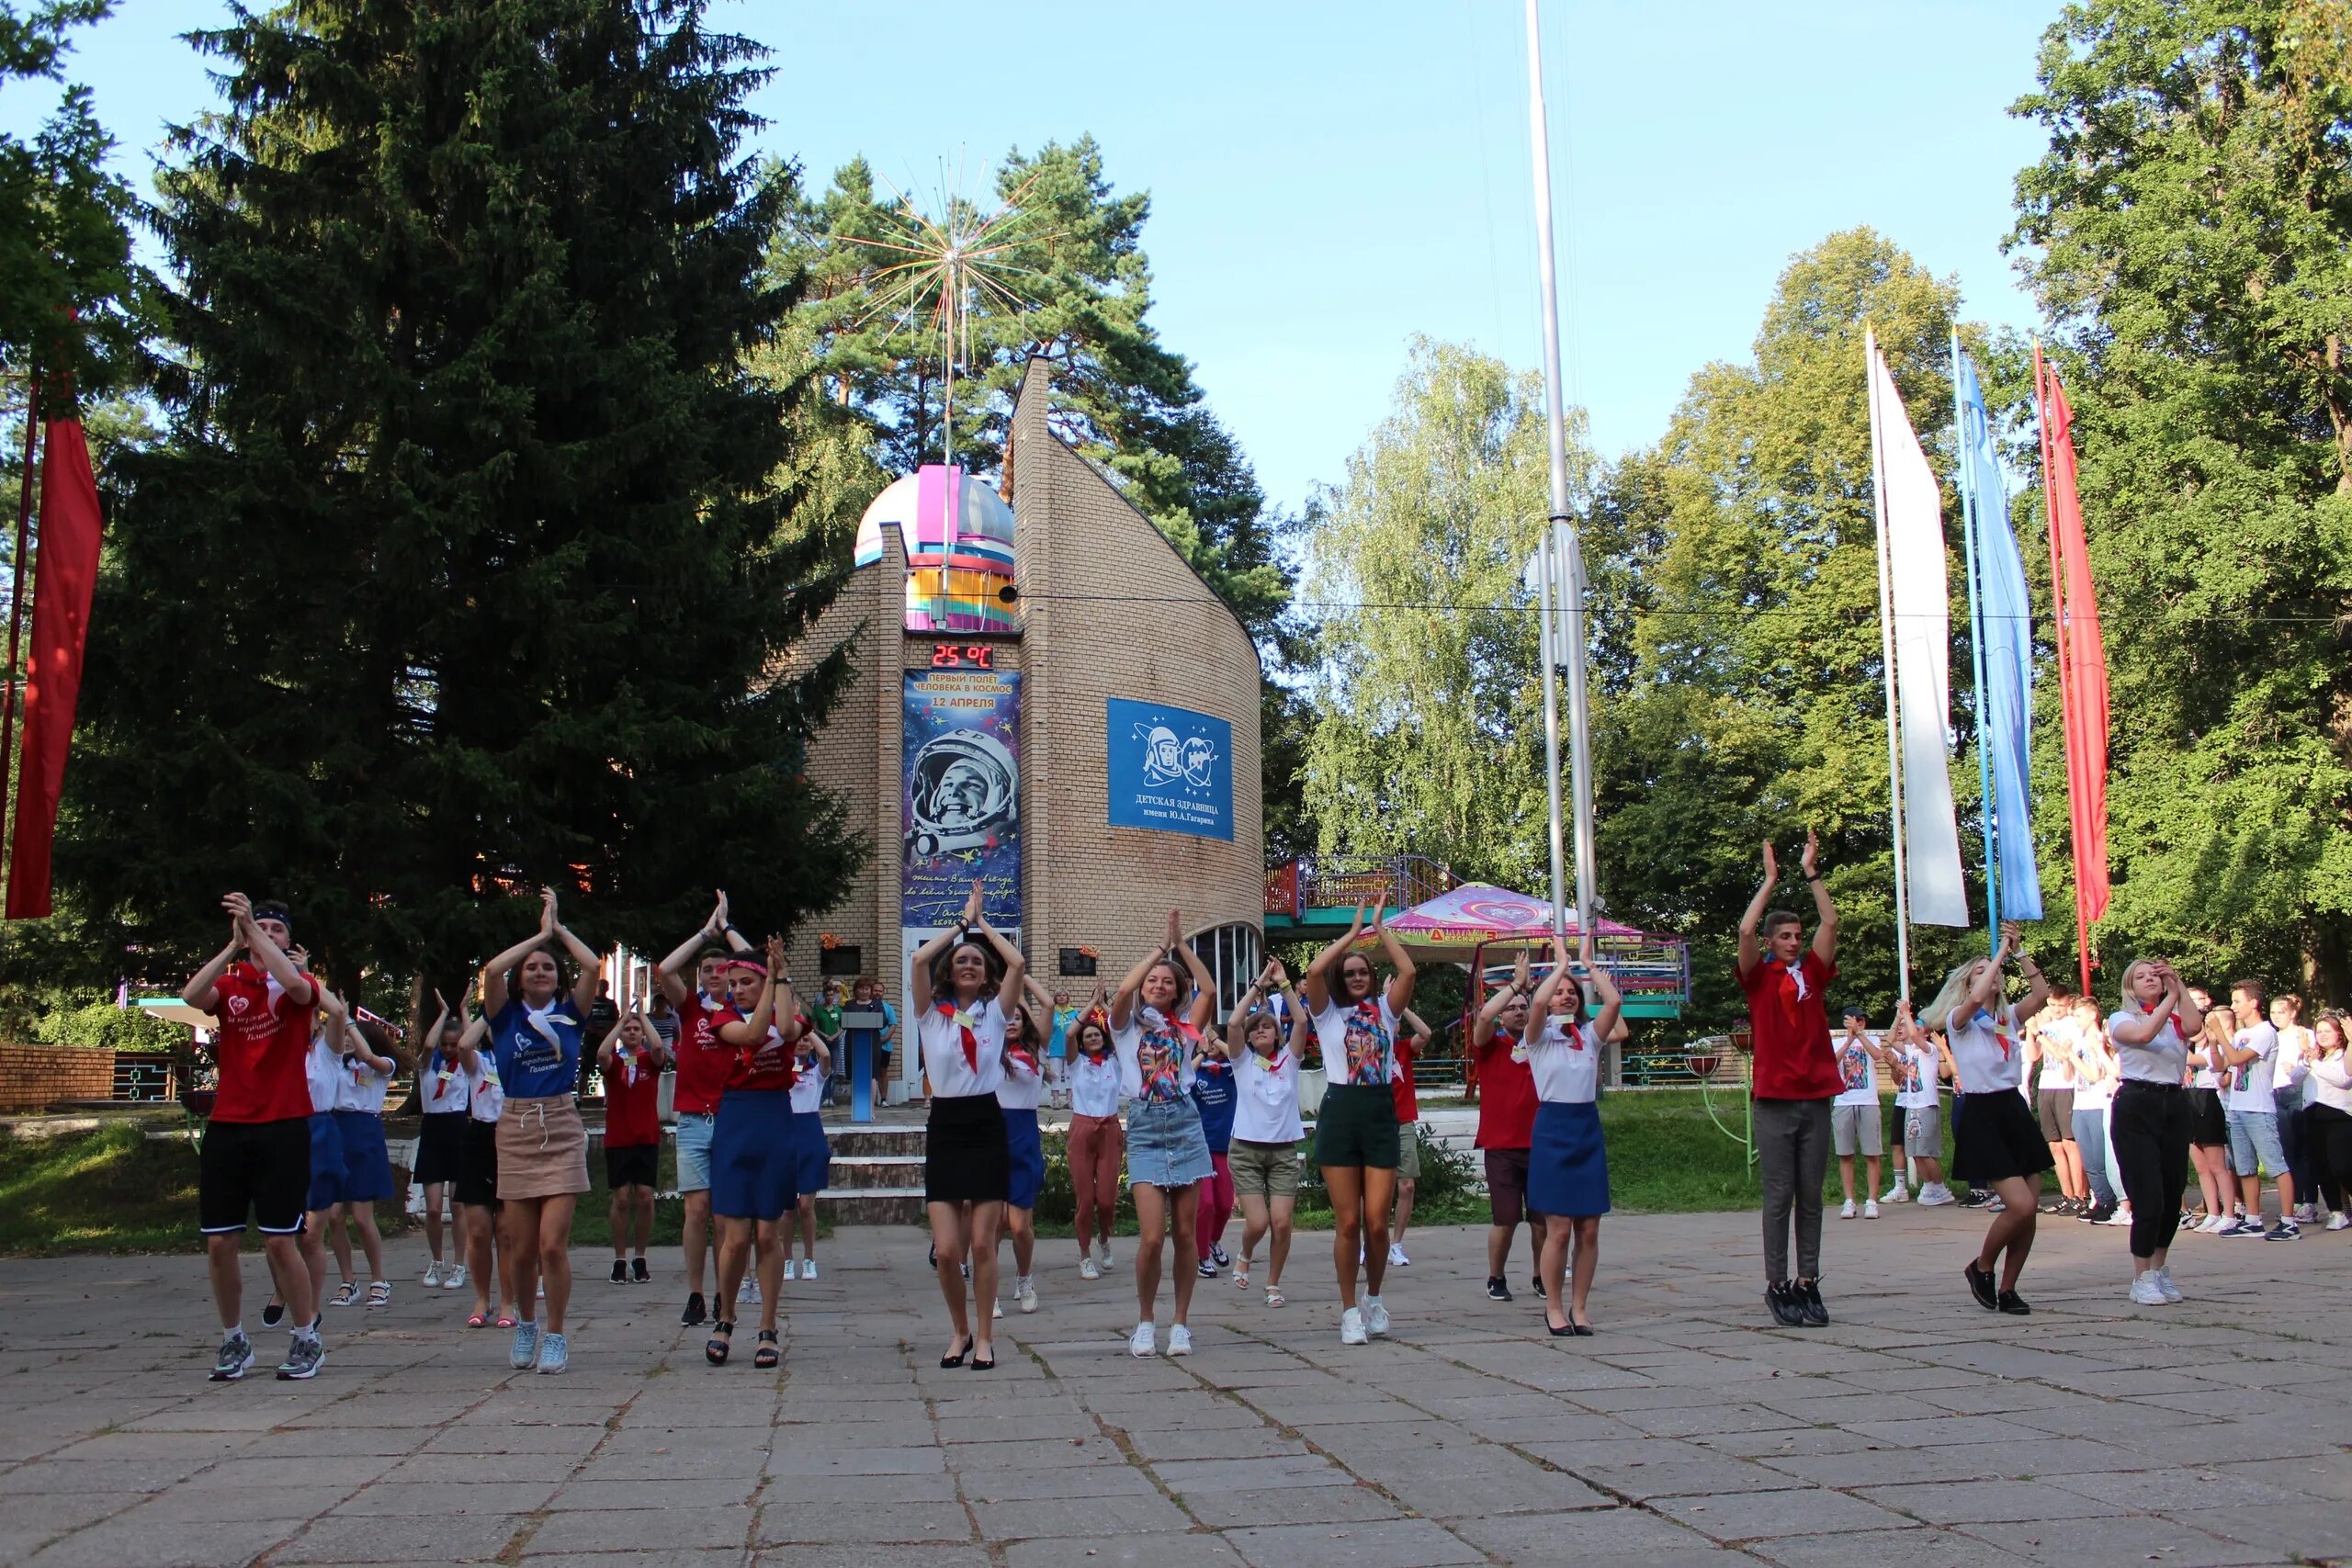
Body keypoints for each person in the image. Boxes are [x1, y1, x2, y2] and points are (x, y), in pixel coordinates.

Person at [182, 894, 323, 1381]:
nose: (265, 933)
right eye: (259, 926)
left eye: (275, 928)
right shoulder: (230, 981)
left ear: (288, 940)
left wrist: (259, 935)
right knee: (219, 1242)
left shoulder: (297, 983)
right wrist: (232, 944)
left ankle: (306, 1337)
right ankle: (232, 1340)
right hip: (229, 1125)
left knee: (281, 1241)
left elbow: (297, 988)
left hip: (283, 1125)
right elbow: (189, 996)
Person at [480, 886, 603, 1375]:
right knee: (520, 1245)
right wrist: (536, 935)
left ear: (558, 979)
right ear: (521, 978)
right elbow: (490, 970)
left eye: (547, 966)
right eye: (531, 966)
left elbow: (592, 966)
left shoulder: (571, 1014)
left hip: (561, 1124)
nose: (538, 971)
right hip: (515, 1126)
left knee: (553, 1244)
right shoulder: (504, 1016)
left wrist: (559, 931)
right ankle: (526, 1323)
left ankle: (555, 1333)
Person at [912, 881, 1024, 1371]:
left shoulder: (995, 1014)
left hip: (984, 1121)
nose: (970, 965)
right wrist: (959, 925)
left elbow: (1017, 965)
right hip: (946, 1125)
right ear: (949, 971)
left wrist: (983, 927)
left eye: (977, 962)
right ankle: (957, 1330)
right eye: (962, 960)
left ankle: (984, 1337)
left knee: (982, 1243)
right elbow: (918, 963)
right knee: (947, 1248)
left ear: (985, 975)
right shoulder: (930, 1016)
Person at [1734, 831, 1839, 1328]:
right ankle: (1777, 1282)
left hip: (1816, 1096)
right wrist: (1771, 880)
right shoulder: (1761, 978)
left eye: (1799, 935)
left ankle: (1808, 1280)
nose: (1795, 942)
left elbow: (1832, 920)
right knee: (1779, 1195)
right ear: (1775, 942)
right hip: (1775, 1098)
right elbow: (1745, 932)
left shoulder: (1813, 974)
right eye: (1787, 936)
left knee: (1812, 1194)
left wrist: (1811, 871)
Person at [1301, 902, 1416, 1347]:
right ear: (1340, 979)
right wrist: (1349, 936)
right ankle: (1348, 1310)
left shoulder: (1386, 1012)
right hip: (1341, 1114)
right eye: (1348, 972)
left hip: (1380, 1114)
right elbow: (1313, 971)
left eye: (1362, 971)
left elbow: (1407, 973)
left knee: (1376, 1223)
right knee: (1347, 1223)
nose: (1355, 976)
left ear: (1370, 976)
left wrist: (1378, 930)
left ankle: (1374, 1297)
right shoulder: (1326, 1014)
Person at [1923, 921, 2052, 1315]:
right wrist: (1997, 956)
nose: (1989, 976)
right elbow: (1977, 999)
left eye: (1991, 971)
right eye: (1979, 971)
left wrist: (2020, 952)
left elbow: (2042, 994)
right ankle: (1982, 1266)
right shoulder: (1959, 1021)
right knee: (2021, 1206)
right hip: (1982, 1111)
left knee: (2029, 1212)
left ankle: (2009, 1287)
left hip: (2012, 1107)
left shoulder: (2007, 1018)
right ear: (1968, 983)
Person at [1109, 909, 1218, 1358]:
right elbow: (1121, 991)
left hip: (1186, 1122)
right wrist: (1159, 947)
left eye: (1167, 982)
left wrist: (1181, 947)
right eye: (1152, 981)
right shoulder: (1125, 1027)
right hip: (1146, 1124)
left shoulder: (1186, 1028)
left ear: (1177, 991)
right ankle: (1145, 1320)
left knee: (1187, 1236)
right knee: (1152, 1236)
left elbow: (1209, 989)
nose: (1158, 985)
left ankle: (1180, 1323)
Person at [653, 893, 755, 1327]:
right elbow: (664, 970)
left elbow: (758, 967)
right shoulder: (690, 1007)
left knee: (725, 1213)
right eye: (708, 971)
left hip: (733, 1117)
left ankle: (723, 1293)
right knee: (696, 1210)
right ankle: (695, 1293)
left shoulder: (741, 1009)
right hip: (695, 1119)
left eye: (722, 970)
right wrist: (705, 933)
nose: (715, 975)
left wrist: (729, 931)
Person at [1524, 938, 1625, 1335]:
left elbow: (1614, 1004)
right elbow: (1534, 1005)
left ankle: (1580, 1307)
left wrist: (1587, 966)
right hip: (1552, 1129)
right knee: (1559, 1228)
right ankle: (1553, 1306)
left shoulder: (1590, 1035)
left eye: (1571, 992)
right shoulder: (1537, 1037)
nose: (1565, 997)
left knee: (1589, 1228)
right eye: (1559, 992)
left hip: (1586, 1128)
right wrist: (1559, 965)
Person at [707, 943, 797, 1369]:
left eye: (747, 982)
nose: (737, 989)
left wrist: (779, 978)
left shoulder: (782, 1002)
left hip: (775, 1118)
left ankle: (768, 1326)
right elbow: (754, 1035)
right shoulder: (721, 1016)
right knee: (735, 1236)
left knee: (768, 1234)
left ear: (764, 981)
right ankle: (724, 1318)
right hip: (736, 1120)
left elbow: (786, 1026)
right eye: (734, 983)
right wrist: (769, 986)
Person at [2109, 957, 2204, 1304]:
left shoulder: (2175, 1018)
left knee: (2171, 1192)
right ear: (2129, 986)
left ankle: (2159, 1268)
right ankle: (2141, 1276)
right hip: (2137, 1102)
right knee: (2148, 1195)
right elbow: (2145, 1033)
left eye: (2155, 975)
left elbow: (2194, 1027)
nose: (2150, 979)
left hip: (2173, 1103)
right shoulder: (2122, 1018)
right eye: (2141, 976)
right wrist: (2169, 998)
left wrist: (2178, 985)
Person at [1226, 962, 1306, 1308]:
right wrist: (1259, 985)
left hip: (1283, 1151)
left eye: (1267, 1027)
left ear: (1277, 1035)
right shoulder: (1241, 1061)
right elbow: (1232, 1022)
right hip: (1245, 1150)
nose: (1260, 1031)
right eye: (1255, 1028)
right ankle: (1245, 1253)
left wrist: (1285, 985)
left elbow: (1301, 1020)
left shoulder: (1290, 1060)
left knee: (1282, 1223)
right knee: (1257, 1223)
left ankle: (1273, 1283)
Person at [1469, 957, 1549, 1300]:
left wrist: (1535, 991)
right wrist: (1516, 985)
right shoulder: (1490, 1046)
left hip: (1542, 1143)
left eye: (1523, 1007)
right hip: (1501, 1146)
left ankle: (1542, 1276)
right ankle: (1496, 1277)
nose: (1518, 1011)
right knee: (1506, 1219)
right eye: (1512, 1008)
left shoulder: (1544, 1044)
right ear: (1503, 1015)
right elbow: (1484, 1016)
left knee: (1542, 1219)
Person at [323, 1005, 402, 1309]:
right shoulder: (335, 1065)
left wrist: (350, 1022)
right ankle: (348, 1280)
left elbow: (369, 1057)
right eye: (343, 1036)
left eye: (349, 1036)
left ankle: (379, 1280)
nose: (345, 1041)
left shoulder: (383, 1065)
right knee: (333, 1215)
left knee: (361, 1216)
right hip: (336, 1131)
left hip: (365, 1134)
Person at [2213, 978, 2295, 1239]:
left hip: (2259, 1108)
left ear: (2253, 1002)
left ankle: (2289, 1221)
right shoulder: (2240, 1035)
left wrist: (2223, 1037)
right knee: (2245, 1166)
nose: (2234, 1006)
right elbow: (2222, 1066)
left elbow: (2237, 1058)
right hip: (2237, 1106)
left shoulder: (2264, 1032)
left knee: (2275, 1165)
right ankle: (2252, 1218)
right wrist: (2216, 1041)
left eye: (2238, 1001)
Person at [598, 1002, 671, 1285]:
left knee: (644, 1196)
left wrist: (642, 1017)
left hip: (645, 1137)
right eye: (627, 1030)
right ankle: (619, 1257)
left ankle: (640, 1256)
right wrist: (621, 1021)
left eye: (635, 1029)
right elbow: (602, 1053)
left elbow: (658, 1048)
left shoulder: (648, 1062)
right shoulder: (615, 1062)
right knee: (622, 1198)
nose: (631, 1033)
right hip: (618, 1138)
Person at [413, 998, 475, 1292]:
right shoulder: (428, 1065)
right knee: (434, 1208)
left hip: (458, 1128)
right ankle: (437, 1262)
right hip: (433, 1129)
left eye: (454, 1044)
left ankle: (459, 1265)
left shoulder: (466, 1065)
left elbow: (472, 1041)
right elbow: (426, 1047)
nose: (448, 1049)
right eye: (445, 1044)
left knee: (459, 1205)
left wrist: (463, 1013)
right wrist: (442, 1013)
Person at [994, 982, 1049, 1314]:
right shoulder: (986, 1049)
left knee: (1019, 1226)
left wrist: (1020, 980)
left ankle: (1024, 1277)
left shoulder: (1036, 1050)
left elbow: (1048, 1006)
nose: (1012, 1022)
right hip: (992, 1136)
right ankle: (991, 1290)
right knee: (992, 1225)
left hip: (1024, 1137)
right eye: (1007, 1018)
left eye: (1018, 1017)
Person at [1066, 1003, 1123, 1279]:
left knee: (1108, 1198)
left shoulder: (1115, 1062)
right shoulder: (1077, 1064)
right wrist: (1090, 1007)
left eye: (1097, 1034)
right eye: (1087, 1036)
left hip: (1110, 1129)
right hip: (1083, 1129)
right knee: (1085, 1199)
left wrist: (1106, 1007)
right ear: (1082, 1041)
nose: (1093, 1038)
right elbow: (1067, 1036)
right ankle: (1085, 1254)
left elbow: (1122, 1031)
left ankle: (1104, 1237)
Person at [1192, 1000, 1239, 1280]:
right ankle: (1200, 1256)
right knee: (1206, 1204)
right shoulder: (1196, 1070)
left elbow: (1236, 1056)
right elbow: (1184, 1078)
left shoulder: (1234, 1071)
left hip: (1225, 1146)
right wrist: (1201, 1050)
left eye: (1214, 1042)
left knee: (1224, 1204)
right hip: (1199, 1147)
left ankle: (1212, 1240)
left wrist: (1215, 1038)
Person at [2031, 990, 2086, 1213]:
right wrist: (2032, 1034)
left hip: (2066, 1086)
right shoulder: (2046, 1023)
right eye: (2052, 1005)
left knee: (2069, 1143)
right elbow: (2035, 1056)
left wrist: (2041, 1034)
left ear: (2068, 1003)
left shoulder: (2072, 1024)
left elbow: (2064, 1055)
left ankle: (2080, 1195)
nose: (2055, 1010)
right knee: (2054, 1143)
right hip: (2047, 1084)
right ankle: (2066, 1194)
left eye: (2060, 1005)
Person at [786, 1023, 832, 1281]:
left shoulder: (816, 1072)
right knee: (786, 1208)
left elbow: (825, 1055)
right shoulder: (781, 1070)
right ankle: (787, 1260)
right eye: (797, 1040)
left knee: (806, 1205)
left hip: (810, 1134)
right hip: (786, 1133)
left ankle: (810, 1258)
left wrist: (808, 1029)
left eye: (805, 1041)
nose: (802, 1043)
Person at [1831, 1006, 1887, 1220]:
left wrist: (1860, 1034)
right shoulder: (1836, 1042)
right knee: (1845, 1154)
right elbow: (1832, 1062)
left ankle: (1872, 1201)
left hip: (1869, 1102)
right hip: (1843, 1102)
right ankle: (1849, 1200)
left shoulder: (1872, 1039)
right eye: (1855, 1020)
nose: (1859, 1023)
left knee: (1872, 1153)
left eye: (1862, 1020)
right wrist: (1848, 1040)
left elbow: (1877, 1055)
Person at [2068, 1001, 2121, 1224]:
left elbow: (2093, 1075)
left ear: (2092, 1015)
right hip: (2080, 1103)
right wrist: (2067, 1056)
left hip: (2097, 1103)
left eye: (2079, 1015)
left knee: (2100, 1158)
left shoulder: (2099, 1040)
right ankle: (2099, 1199)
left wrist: (2072, 1056)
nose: (2076, 1020)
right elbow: (2068, 1075)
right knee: (2089, 1160)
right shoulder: (2080, 1041)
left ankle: (2109, 1200)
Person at [1386, 1010, 1431, 1268]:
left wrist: (1401, 1008)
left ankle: (1396, 1244)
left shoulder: (1404, 1049)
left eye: (1393, 1024)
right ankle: (1370, 1242)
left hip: (1403, 1123)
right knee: (1373, 1190)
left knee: (1407, 1186)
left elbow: (1425, 1033)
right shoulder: (1366, 1051)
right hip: (1376, 1124)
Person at [2301, 1011, 2351, 1229]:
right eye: (2318, 1031)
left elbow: (2343, 1079)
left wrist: (2314, 1063)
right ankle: (2336, 1211)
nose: (2322, 1035)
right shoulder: (2316, 1057)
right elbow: (2296, 1078)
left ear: (2340, 1034)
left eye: (2327, 1031)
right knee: (2322, 1167)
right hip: (2313, 1114)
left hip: (2339, 1116)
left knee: (2342, 1166)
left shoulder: (2344, 1055)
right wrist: (2306, 1058)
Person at [2273, 995, 2317, 1224]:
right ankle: (2295, 1200)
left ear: (2292, 1013)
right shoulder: (2272, 1037)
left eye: (2280, 1012)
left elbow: (2313, 1063)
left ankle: (2309, 1201)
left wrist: (2300, 1061)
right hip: (2276, 1093)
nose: (2276, 1017)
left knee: (2303, 1148)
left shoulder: (2306, 1034)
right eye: (2272, 1013)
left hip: (2297, 1092)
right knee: (2286, 1148)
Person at [1046, 988, 1077, 1109]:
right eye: (1059, 995)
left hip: (1070, 1048)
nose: (1062, 997)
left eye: (1064, 995)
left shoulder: (1074, 1013)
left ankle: (1070, 1100)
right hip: (1055, 1047)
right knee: (1056, 1074)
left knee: (1070, 1074)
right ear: (1055, 998)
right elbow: (1047, 1030)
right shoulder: (1051, 1013)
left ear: (1068, 997)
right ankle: (1056, 1100)